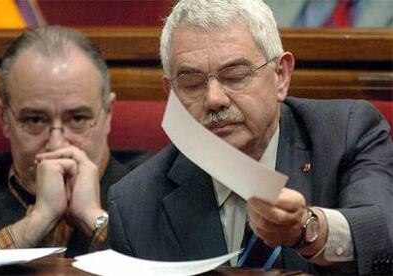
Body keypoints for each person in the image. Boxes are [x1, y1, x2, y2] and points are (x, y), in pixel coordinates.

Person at [107, 0, 393, 275]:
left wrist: (306, 229)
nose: (214, 100)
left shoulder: (345, 133)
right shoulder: (136, 202)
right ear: (171, 94)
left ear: (280, 75)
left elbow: (382, 232)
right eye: (192, 84)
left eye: (235, 76)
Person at [0, 26, 148, 257]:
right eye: (35, 119)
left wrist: (94, 219)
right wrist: (33, 225)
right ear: (5, 119)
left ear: (108, 114)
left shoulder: (154, 188)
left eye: (78, 118)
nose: (57, 145)